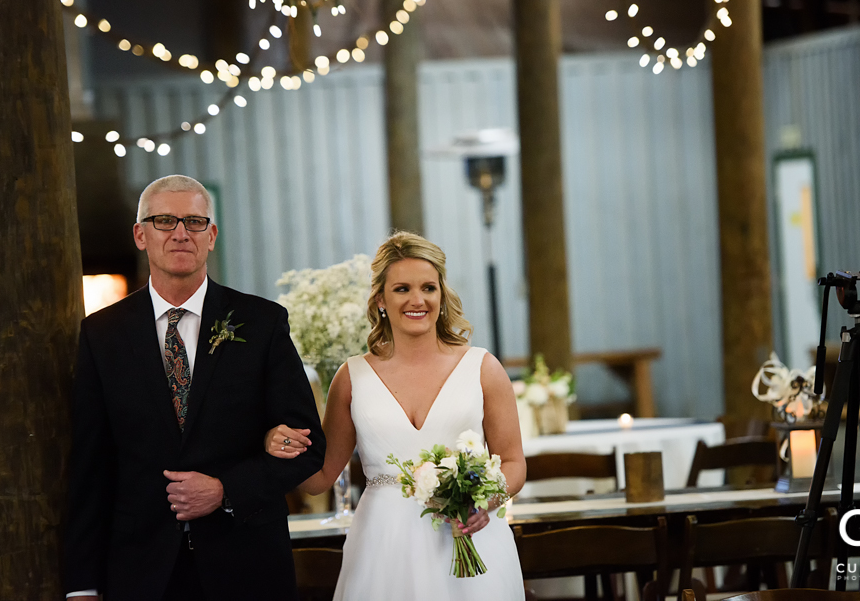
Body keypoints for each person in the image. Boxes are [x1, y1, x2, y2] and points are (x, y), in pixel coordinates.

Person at [64, 175, 325, 601]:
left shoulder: (261, 323)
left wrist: (225, 490)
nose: (181, 233)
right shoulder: (101, 334)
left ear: (212, 235)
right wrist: (82, 586)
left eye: (195, 222)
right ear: (140, 235)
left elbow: (308, 448)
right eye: (164, 220)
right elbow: (90, 467)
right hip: (141, 571)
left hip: (246, 565)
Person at [266, 231, 526, 600]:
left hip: (470, 541)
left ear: (442, 294)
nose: (417, 300)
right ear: (381, 299)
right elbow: (320, 477)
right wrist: (278, 443)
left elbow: (514, 462)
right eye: (402, 289)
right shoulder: (351, 376)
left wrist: (484, 502)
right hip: (382, 546)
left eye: (429, 288)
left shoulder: (483, 368)